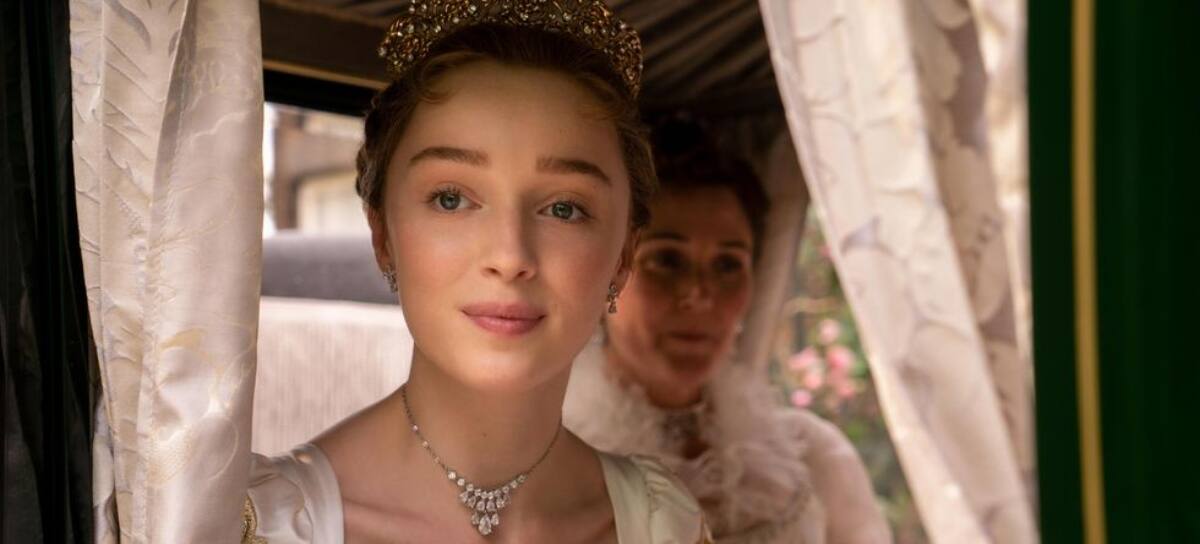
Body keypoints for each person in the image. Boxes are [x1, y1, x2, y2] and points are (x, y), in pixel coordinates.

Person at [242, 2, 710, 542]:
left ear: (623, 257)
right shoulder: (264, 526)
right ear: (383, 236)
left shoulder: (664, 525)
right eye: (451, 199)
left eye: (563, 208)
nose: (509, 257)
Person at [564, 120, 893, 543]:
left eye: (727, 265)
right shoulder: (555, 471)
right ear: (611, 271)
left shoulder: (812, 457)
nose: (699, 294)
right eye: (667, 260)